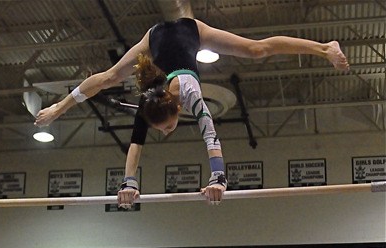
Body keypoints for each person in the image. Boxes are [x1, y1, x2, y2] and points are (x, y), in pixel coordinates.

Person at [34, 17, 349, 207]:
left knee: (256, 50)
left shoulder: (190, 93)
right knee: (111, 76)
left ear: (179, 108)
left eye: (169, 127)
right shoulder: (150, 100)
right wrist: (128, 183)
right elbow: (135, 141)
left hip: (190, 30)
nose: (168, 131)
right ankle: (60, 106)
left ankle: (325, 48)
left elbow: (209, 133)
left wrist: (219, 176)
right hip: (153, 37)